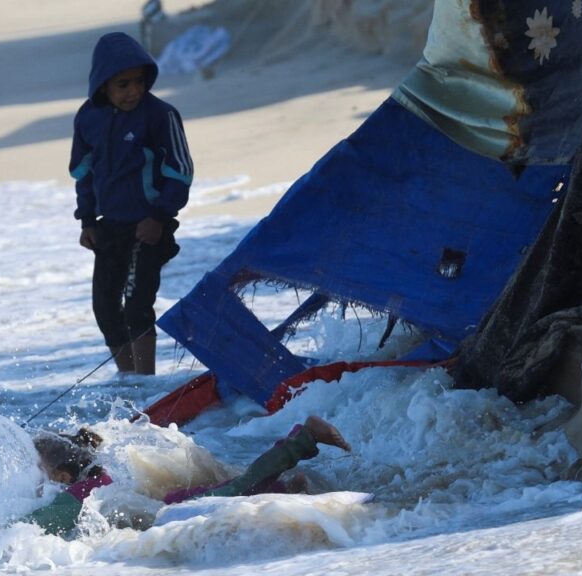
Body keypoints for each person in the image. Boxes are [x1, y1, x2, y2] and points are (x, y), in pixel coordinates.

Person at [69, 31, 193, 376]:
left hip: (149, 226)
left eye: (139, 82)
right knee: (105, 309)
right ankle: (129, 382)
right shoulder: (88, 117)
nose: (133, 91)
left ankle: (147, 382)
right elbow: (85, 174)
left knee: (137, 306)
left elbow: (180, 172)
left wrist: (159, 215)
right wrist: (88, 221)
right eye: (123, 84)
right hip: (110, 225)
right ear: (103, 84)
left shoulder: (160, 115)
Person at [27, 416, 352, 537]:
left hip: (171, 511)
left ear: (60, 473)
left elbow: (42, 523)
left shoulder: (84, 491)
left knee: (236, 491)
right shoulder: (100, 478)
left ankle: (304, 438)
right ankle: (285, 487)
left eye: (40, 471)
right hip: (167, 504)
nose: (37, 479)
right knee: (238, 493)